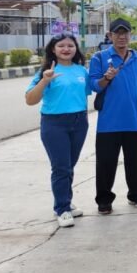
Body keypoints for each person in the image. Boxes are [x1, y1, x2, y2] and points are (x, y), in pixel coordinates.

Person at [89, 18, 137, 215]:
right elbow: (94, 85)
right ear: (109, 36)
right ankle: (104, 199)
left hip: (135, 120)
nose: (121, 37)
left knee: (135, 161)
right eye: (117, 33)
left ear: (130, 35)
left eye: (125, 33)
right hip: (108, 122)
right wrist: (106, 78)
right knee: (106, 162)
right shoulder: (99, 58)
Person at [25, 32, 91, 227]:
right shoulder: (46, 71)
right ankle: (61, 209)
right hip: (54, 124)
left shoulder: (81, 71)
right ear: (53, 49)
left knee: (69, 165)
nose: (66, 49)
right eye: (61, 45)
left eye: (70, 45)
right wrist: (45, 80)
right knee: (61, 167)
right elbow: (30, 100)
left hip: (79, 122)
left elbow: (84, 96)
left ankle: (66, 203)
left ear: (75, 49)